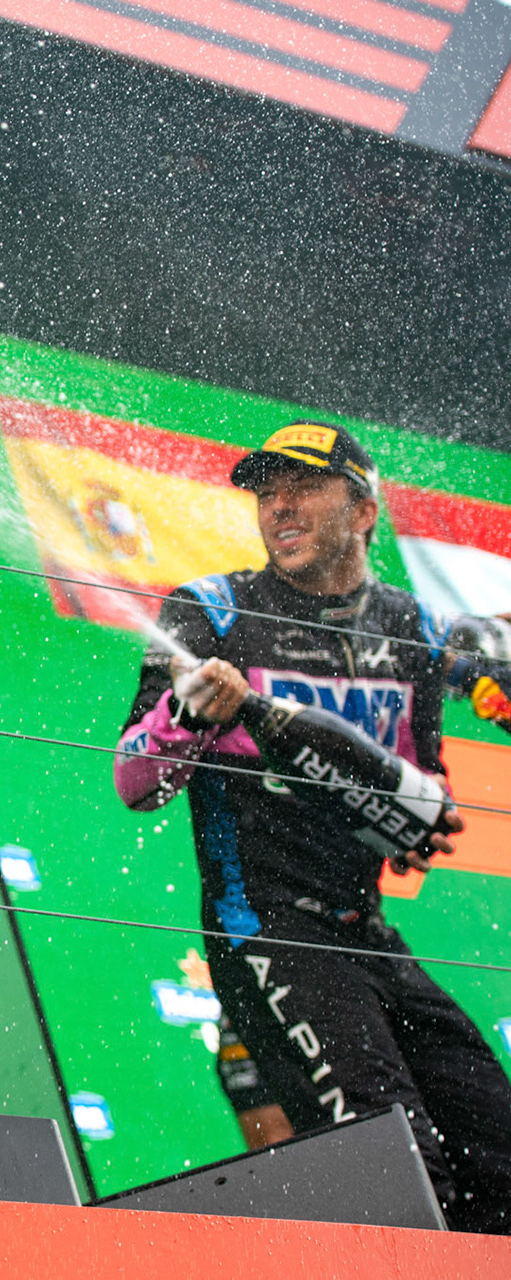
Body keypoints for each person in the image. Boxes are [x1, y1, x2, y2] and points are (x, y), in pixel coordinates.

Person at [113, 420, 511, 1231]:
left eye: (301, 487)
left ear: (363, 511)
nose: (278, 507)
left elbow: (420, 796)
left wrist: (412, 803)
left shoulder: (415, 630)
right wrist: (188, 714)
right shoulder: (213, 611)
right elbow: (136, 782)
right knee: (401, 1161)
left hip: (370, 933)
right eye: (265, 492)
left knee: (497, 1154)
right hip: (262, 929)